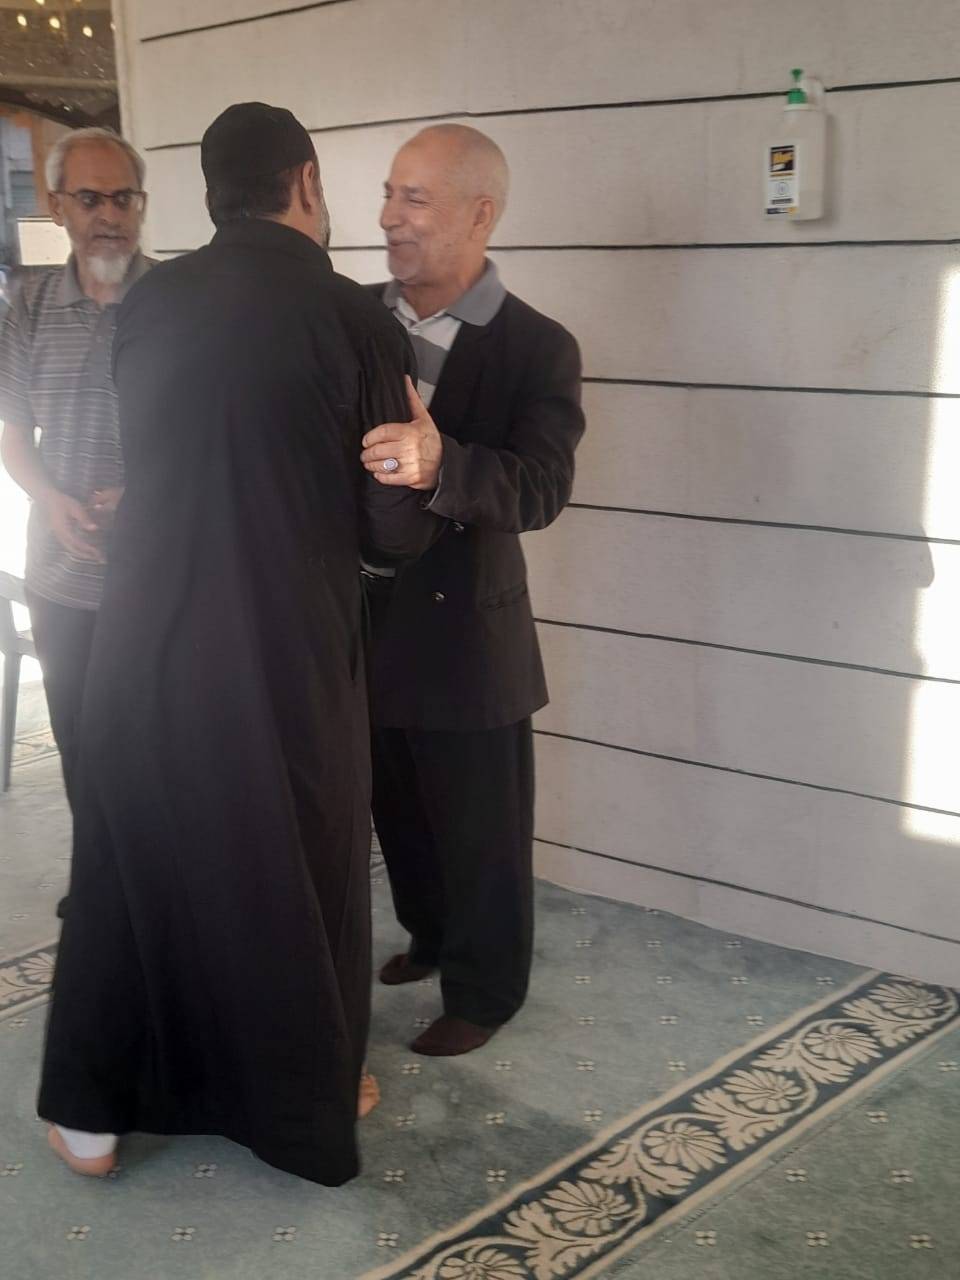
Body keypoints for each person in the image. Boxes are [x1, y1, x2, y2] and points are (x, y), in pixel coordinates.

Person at [37, 102, 438, 1185]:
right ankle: (306, 1100)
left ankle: (89, 1120)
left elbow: (160, 456)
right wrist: (425, 467)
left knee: (132, 855)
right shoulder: (355, 318)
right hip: (282, 642)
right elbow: (387, 528)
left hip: (142, 628)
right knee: (290, 862)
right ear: (306, 183)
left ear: (211, 195)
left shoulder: (151, 302)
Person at [361, 124, 585, 1057]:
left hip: (468, 638)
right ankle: (430, 937)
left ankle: (486, 992)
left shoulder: (538, 347)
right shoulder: (352, 319)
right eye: (388, 193)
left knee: (482, 829)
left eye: (414, 198)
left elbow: (541, 488)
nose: (388, 216)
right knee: (397, 809)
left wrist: (441, 462)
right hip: (359, 625)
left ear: (480, 214)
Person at [0, 128, 149, 835]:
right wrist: (50, 500)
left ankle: (159, 884)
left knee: (162, 752)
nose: (109, 215)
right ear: (58, 206)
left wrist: (147, 497)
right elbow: (10, 435)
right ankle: (99, 881)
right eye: (90, 199)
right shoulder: (28, 305)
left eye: (123, 198)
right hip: (60, 580)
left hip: (159, 581)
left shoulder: (176, 301)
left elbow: (210, 439)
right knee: (83, 754)